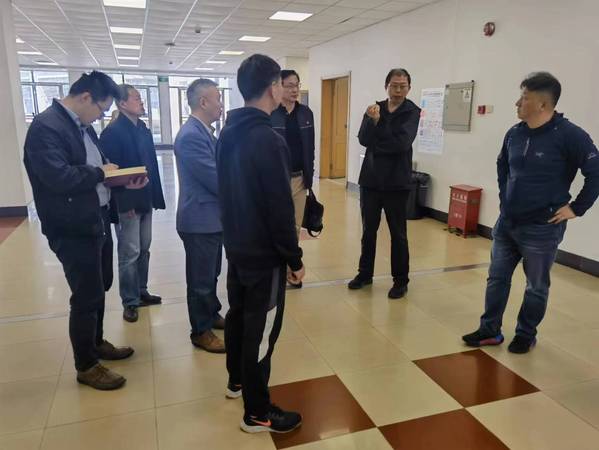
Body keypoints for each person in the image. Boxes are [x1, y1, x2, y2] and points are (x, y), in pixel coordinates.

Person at [23, 71, 147, 390]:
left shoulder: (82, 126)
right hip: (71, 225)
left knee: (100, 285)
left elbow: (99, 168)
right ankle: (87, 365)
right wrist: (100, 173)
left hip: (96, 217)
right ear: (85, 97)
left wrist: (122, 180)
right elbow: (59, 177)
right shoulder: (46, 127)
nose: (101, 117)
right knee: (86, 294)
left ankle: (96, 342)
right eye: (101, 109)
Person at [463, 72, 599, 354]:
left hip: (542, 227)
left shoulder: (570, 135)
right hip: (507, 223)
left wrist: (576, 208)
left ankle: (525, 334)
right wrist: (505, 198)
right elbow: (503, 165)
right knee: (497, 278)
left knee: (536, 286)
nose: (517, 103)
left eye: (524, 98)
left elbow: (596, 172)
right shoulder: (515, 133)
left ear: (542, 104)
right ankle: (490, 330)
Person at [217, 54, 305, 434]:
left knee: (238, 316)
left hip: (236, 247)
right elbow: (279, 208)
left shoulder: (228, 132)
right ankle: (257, 412)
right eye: (282, 84)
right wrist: (294, 258)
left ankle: (236, 380)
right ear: (272, 88)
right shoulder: (269, 139)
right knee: (261, 330)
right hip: (263, 255)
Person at [348, 68, 421, 299]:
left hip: (396, 183)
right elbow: (363, 139)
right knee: (368, 231)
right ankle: (364, 274)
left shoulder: (412, 112)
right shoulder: (374, 108)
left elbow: (402, 144)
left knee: (398, 234)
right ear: (386, 86)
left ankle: (400, 280)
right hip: (371, 181)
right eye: (394, 85)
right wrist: (373, 122)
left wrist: (378, 128)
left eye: (403, 86)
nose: (398, 90)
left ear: (409, 88)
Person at [99, 84, 165, 323]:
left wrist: (156, 195)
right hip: (126, 199)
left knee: (144, 247)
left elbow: (151, 165)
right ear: (123, 103)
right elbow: (109, 171)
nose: (141, 102)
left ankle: (141, 290)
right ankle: (129, 300)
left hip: (145, 196)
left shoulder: (143, 129)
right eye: (136, 98)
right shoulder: (112, 132)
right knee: (130, 251)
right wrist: (123, 190)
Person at [174, 79, 226, 353]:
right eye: (218, 98)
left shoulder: (205, 132)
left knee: (211, 273)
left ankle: (211, 313)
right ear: (203, 102)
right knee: (200, 280)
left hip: (211, 218)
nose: (221, 104)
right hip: (199, 219)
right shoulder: (191, 136)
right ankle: (201, 331)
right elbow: (215, 178)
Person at [271, 70, 315, 289]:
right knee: (275, 225)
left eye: (297, 85)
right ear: (278, 86)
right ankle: (274, 271)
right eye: (289, 85)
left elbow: (310, 147)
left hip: (299, 178)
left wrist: (310, 176)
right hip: (276, 180)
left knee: (295, 227)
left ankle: (291, 270)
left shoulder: (306, 113)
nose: (295, 90)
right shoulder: (270, 113)